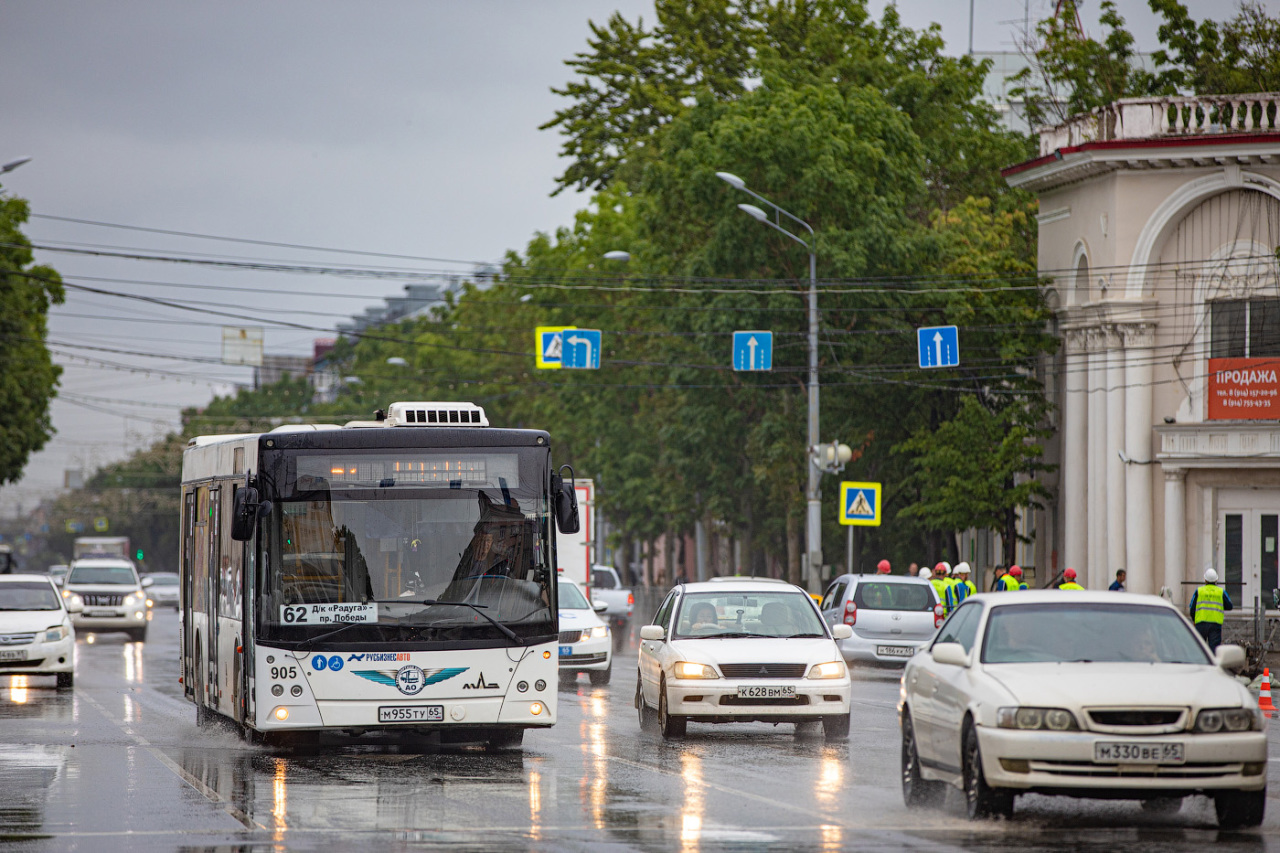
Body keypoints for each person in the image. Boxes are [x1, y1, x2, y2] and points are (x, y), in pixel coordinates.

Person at [1189, 567, 1233, 651]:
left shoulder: (1199, 591)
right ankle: (1213, 663)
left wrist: (1194, 620)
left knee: (1199, 649)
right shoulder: (1221, 592)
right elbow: (1230, 606)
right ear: (1216, 580)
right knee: (1214, 650)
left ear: (1205, 579)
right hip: (1215, 624)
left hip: (1200, 624)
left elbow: (1192, 608)